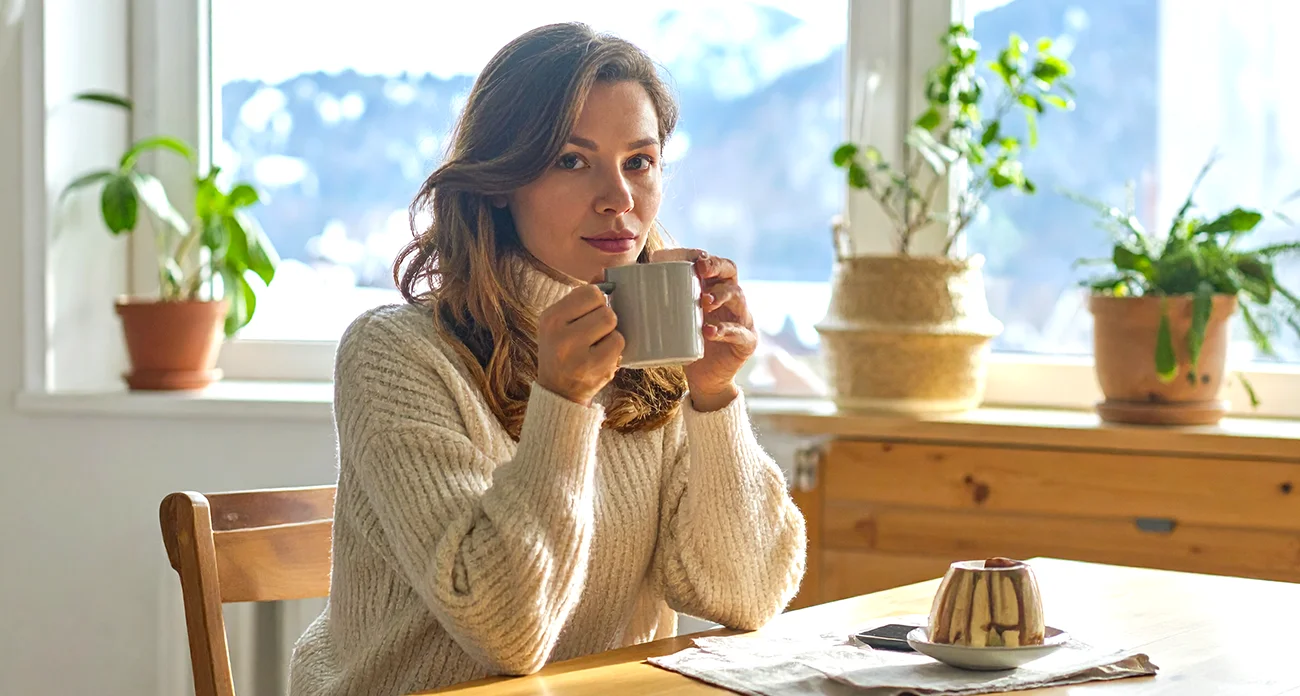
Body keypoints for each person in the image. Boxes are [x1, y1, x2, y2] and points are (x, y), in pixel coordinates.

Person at [288, 21, 807, 696]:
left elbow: (745, 596)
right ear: (501, 180)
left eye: (639, 162)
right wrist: (563, 403)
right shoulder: (395, 355)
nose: (618, 198)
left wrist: (713, 397)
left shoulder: (655, 351)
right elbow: (508, 634)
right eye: (571, 159)